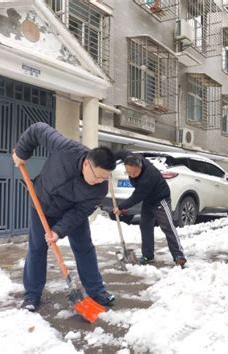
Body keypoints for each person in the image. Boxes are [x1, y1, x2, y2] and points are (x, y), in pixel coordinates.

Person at [12, 122, 116, 312]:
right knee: (37, 248)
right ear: (87, 163)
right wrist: (21, 152)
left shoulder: (100, 188)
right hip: (42, 205)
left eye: (105, 178)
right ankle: (32, 295)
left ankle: (96, 291)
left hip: (71, 211)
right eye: (98, 176)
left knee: (84, 247)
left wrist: (58, 231)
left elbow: (80, 212)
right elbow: (37, 130)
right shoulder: (66, 149)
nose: (100, 181)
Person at [112, 151, 186, 267]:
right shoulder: (131, 158)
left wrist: (121, 207)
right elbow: (119, 154)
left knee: (167, 226)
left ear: (140, 167)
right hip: (148, 200)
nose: (131, 175)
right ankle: (148, 255)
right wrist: (108, 164)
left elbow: (136, 197)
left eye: (134, 172)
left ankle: (178, 255)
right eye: (128, 172)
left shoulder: (148, 176)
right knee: (145, 226)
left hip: (160, 199)